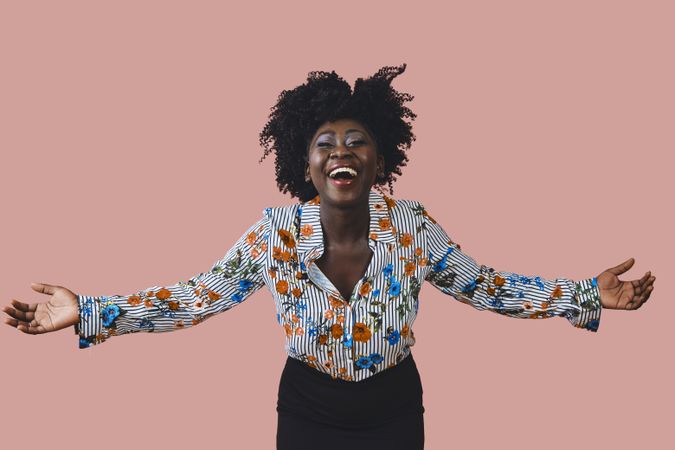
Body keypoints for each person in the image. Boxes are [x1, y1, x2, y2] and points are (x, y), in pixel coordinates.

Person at [3, 64, 656, 449]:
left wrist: (586, 294)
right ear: (303, 161)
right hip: (308, 409)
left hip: (394, 406)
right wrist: (86, 312)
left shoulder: (410, 226)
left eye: (356, 141)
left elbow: (486, 286)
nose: (341, 150)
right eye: (325, 142)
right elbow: (196, 298)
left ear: (379, 158)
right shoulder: (273, 235)